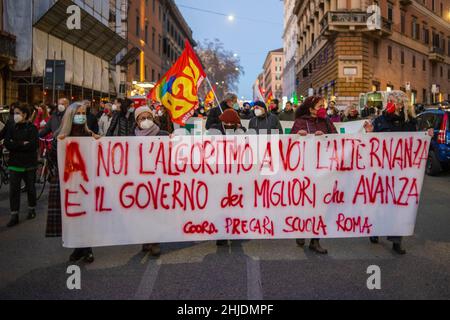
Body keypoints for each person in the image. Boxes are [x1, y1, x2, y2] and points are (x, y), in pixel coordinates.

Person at [364, 92, 434, 255]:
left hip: (402, 170)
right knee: (380, 202)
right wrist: (369, 133)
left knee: (399, 205)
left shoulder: (410, 122)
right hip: (381, 168)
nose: (389, 103)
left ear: (401, 104)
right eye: (388, 101)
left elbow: (418, 145)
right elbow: (371, 143)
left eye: (392, 101)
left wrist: (427, 137)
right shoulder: (380, 120)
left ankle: (396, 240)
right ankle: (375, 230)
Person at [45, 102, 101, 263]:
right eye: (78, 113)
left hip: (86, 181)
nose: (82, 116)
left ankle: (87, 248)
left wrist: (98, 141)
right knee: (73, 215)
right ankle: (78, 247)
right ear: (71, 115)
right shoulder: (60, 135)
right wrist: (57, 144)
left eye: (84, 113)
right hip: (68, 182)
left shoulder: (90, 135)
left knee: (86, 214)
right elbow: (52, 160)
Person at [291, 96, 337, 254]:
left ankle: (315, 240)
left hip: (323, 170)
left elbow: (337, 140)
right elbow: (289, 144)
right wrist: (298, 136)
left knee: (320, 206)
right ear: (311, 108)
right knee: (304, 204)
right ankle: (301, 231)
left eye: (324, 105)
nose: (323, 108)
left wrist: (325, 137)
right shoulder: (300, 122)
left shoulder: (327, 122)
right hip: (304, 170)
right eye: (320, 106)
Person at [133, 106, 169, 257]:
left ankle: (155, 241)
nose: (146, 121)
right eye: (142, 118)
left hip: (158, 180)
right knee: (142, 211)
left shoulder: (163, 134)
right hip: (139, 180)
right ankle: (145, 239)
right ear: (137, 121)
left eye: (149, 117)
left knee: (155, 212)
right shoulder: (131, 136)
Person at [3, 103, 39, 227]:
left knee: (30, 188)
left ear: (24, 114)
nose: (15, 116)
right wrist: (22, 143)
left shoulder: (32, 128)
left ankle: (31, 209)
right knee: (14, 191)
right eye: (14, 113)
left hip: (29, 164)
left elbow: (33, 145)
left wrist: (16, 144)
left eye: (18, 113)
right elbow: (7, 143)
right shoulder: (11, 127)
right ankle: (14, 215)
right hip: (14, 164)